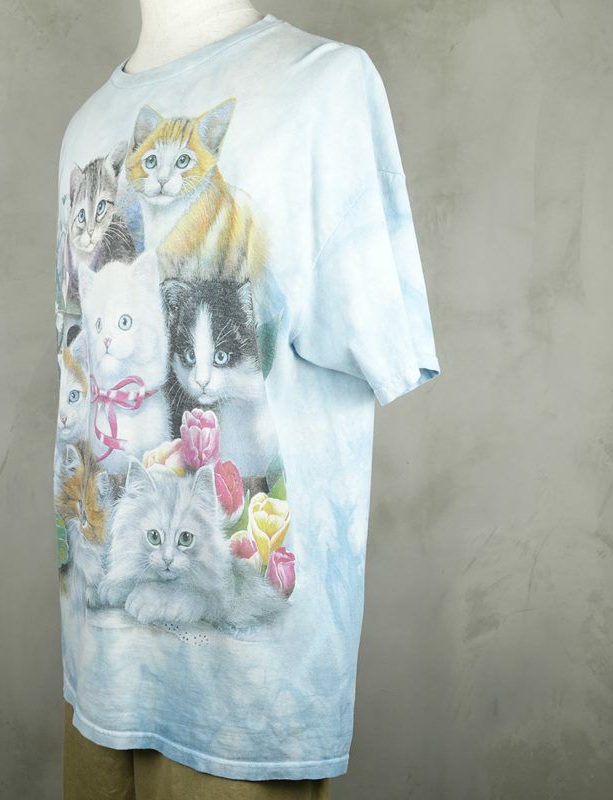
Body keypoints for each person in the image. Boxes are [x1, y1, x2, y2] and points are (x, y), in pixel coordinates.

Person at [52, 2, 441, 797]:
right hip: (99, 663)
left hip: (249, 700)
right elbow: (79, 354)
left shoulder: (325, 85)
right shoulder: (86, 130)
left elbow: (376, 342)